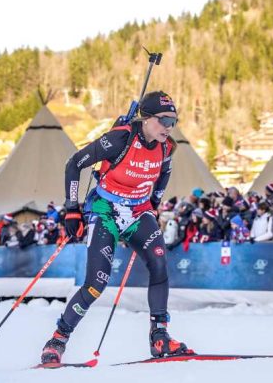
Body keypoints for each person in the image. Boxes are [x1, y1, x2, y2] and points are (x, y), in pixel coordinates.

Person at [41, 91, 189, 364]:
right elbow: (74, 164)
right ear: (146, 118)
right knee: (96, 283)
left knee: (159, 263)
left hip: (137, 211)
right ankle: (58, 339)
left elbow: (164, 173)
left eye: (174, 121)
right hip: (105, 209)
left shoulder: (166, 147)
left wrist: (154, 202)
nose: (169, 127)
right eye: (164, 120)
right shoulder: (120, 138)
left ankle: (160, 336)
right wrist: (72, 208)